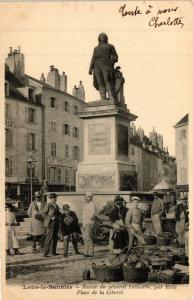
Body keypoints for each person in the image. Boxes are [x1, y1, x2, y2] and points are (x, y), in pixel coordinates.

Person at [89, 32, 118, 101]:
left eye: (104, 36)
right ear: (99, 38)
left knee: (107, 80)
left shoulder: (110, 46)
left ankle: (111, 96)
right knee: (100, 82)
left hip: (106, 65)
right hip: (97, 66)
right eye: (101, 36)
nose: (102, 38)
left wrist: (111, 62)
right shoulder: (96, 48)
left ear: (106, 38)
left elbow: (115, 56)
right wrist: (90, 68)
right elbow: (93, 58)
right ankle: (103, 98)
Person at [82, 192, 97, 257]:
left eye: (88, 197)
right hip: (85, 223)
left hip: (89, 223)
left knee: (89, 238)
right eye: (86, 197)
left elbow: (92, 215)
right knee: (85, 238)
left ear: (91, 198)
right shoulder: (86, 205)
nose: (87, 198)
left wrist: (89, 220)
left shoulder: (92, 205)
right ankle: (86, 251)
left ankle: (90, 252)